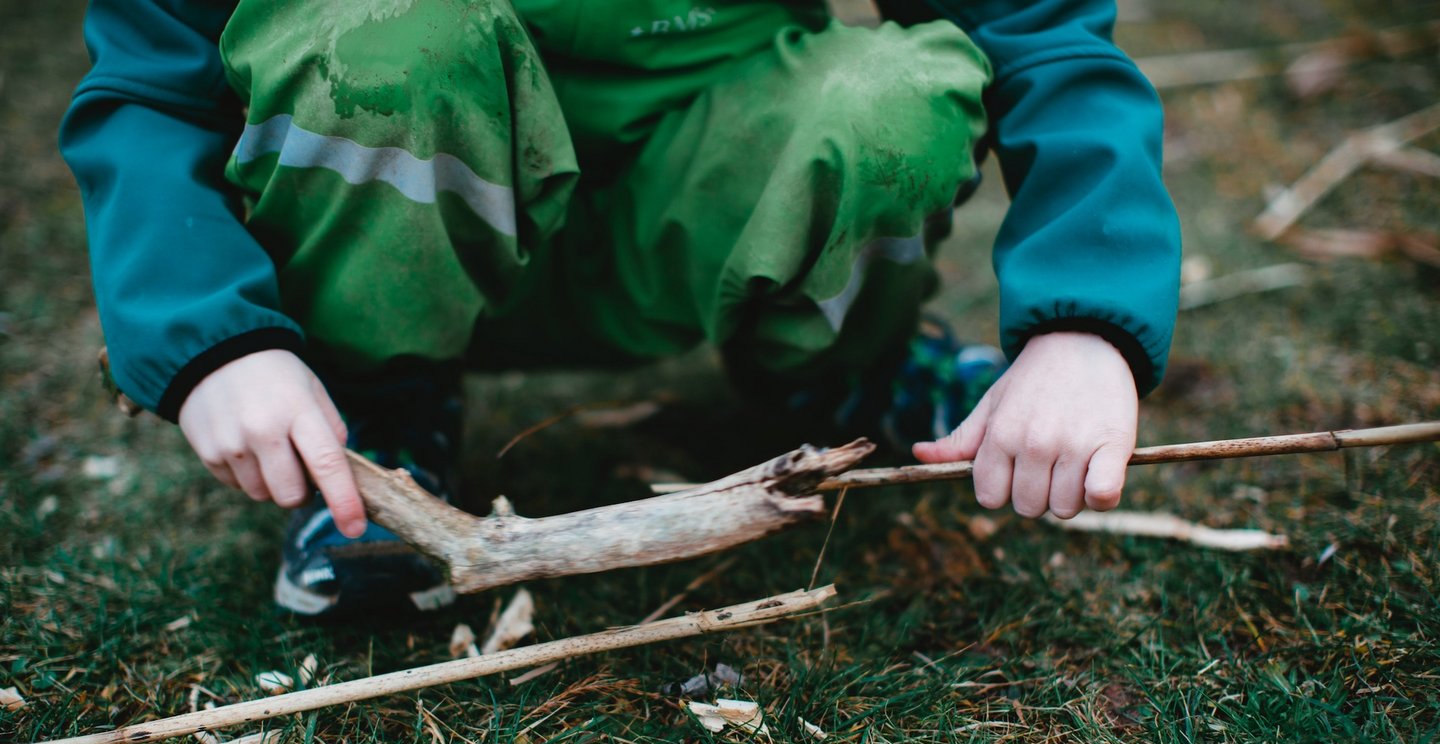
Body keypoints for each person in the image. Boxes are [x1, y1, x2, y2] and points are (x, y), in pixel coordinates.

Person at [60, 0, 1180, 616]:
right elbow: (154, 83)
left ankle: (848, 369)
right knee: (379, 42)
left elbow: (1045, 34)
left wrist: (1085, 320)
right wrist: (214, 340)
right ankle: (377, 422)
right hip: (405, 219)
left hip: (710, 208)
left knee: (887, 103)